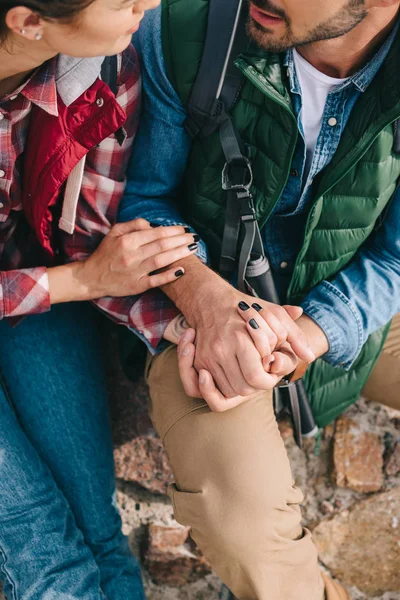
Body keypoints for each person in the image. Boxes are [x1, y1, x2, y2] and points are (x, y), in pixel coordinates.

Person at [119, 0, 400, 598]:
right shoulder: (187, 30)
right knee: (248, 532)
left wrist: (315, 331)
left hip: (346, 306)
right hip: (197, 317)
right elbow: (143, 199)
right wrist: (209, 300)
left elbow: (395, 258)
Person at [0, 0, 202, 598]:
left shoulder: (105, 68)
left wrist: (187, 328)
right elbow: (89, 274)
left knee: (100, 536)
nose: (151, 5)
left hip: (33, 292)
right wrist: (82, 282)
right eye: (122, 1)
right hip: (51, 287)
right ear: (27, 22)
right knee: (45, 551)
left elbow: (93, 244)